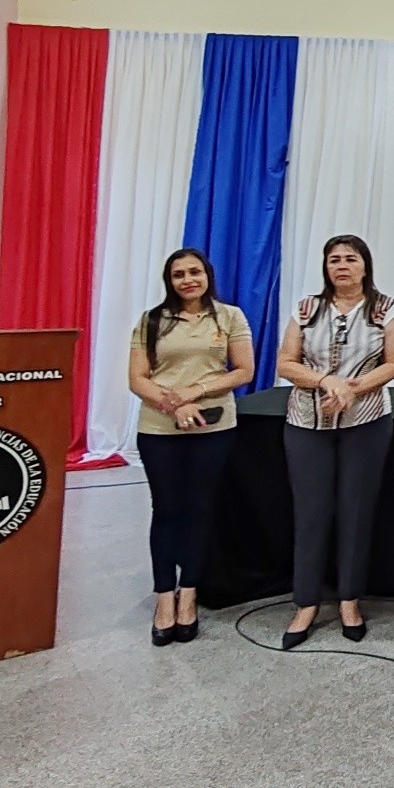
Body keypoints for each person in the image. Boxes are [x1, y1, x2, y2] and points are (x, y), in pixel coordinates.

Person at [274, 235, 394, 649]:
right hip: (306, 422)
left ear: (365, 265)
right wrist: (326, 382)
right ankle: (306, 603)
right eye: (334, 260)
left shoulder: (386, 309)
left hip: (366, 422)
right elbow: (285, 363)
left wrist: (352, 389)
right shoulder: (306, 309)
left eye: (351, 259)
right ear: (325, 267)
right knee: (310, 514)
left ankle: (350, 601)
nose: (342, 266)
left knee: (356, 512)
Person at [125, 248, 254, 646]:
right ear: (170, 281)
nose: (188, 280)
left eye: (194, 272)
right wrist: (174, 405)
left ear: (207, 275)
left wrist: (194, 392)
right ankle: (165, 598)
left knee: (200, 509)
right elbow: (137, 378)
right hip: (159, 428)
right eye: (178, 274)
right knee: (166, 510)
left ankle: (189, 596)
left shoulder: (229, 316)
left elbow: (244, 371)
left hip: (214, 427)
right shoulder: (151, 320)